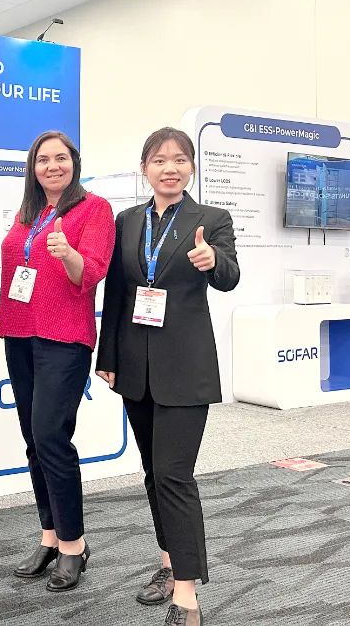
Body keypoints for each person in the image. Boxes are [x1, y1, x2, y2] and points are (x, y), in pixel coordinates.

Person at [97, 127, 240, 626]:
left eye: (180, 159)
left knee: (175, 476)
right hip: (136, 366)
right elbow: (117, 292)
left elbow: (230, 277)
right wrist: (107, 355)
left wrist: (212, 260)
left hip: (185, 366)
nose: (170, 168)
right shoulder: (128, 221)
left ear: (191, 167)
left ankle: (186, 595)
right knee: (154, 474)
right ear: (145, 169)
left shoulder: (211, 219)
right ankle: (169, 561)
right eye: (159, 160)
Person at [0, 131, 115, 591]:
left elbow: (93, 272)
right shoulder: (28, 213)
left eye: (60, 158)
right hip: (20, 333)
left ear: (74, 163)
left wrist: (68, 255)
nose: (52, 166)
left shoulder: (94, 208)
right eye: (43, 160)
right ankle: (49, 536)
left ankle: (74, 545)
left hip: (64, 337)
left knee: (51, 437)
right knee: (33, 440)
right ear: (33, 167)